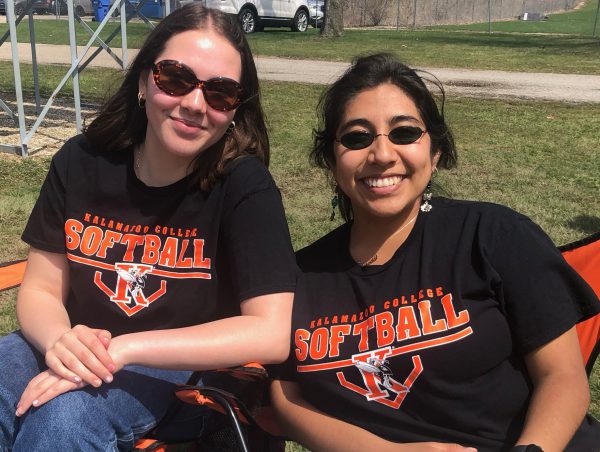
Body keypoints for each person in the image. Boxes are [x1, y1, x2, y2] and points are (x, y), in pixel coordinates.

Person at [0, 4, 296, 450]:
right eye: (175, 78)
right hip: (76, 339)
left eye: (220, 93)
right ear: (143, 80)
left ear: (235, 109)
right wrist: (62, 342)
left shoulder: (243, 187)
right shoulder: (83, 161)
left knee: (65, 418)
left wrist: (126, 349)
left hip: (178, 370)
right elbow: (41, 288)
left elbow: (271, 332)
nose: (195, 104)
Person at [270, 53, 600, 451]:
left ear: (435, 151)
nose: (382, 154)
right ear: (330, 160)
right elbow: (285, 397)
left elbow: (563, 376)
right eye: (357, 137)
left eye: (404, 133)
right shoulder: (299, 276)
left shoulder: (493, 235)